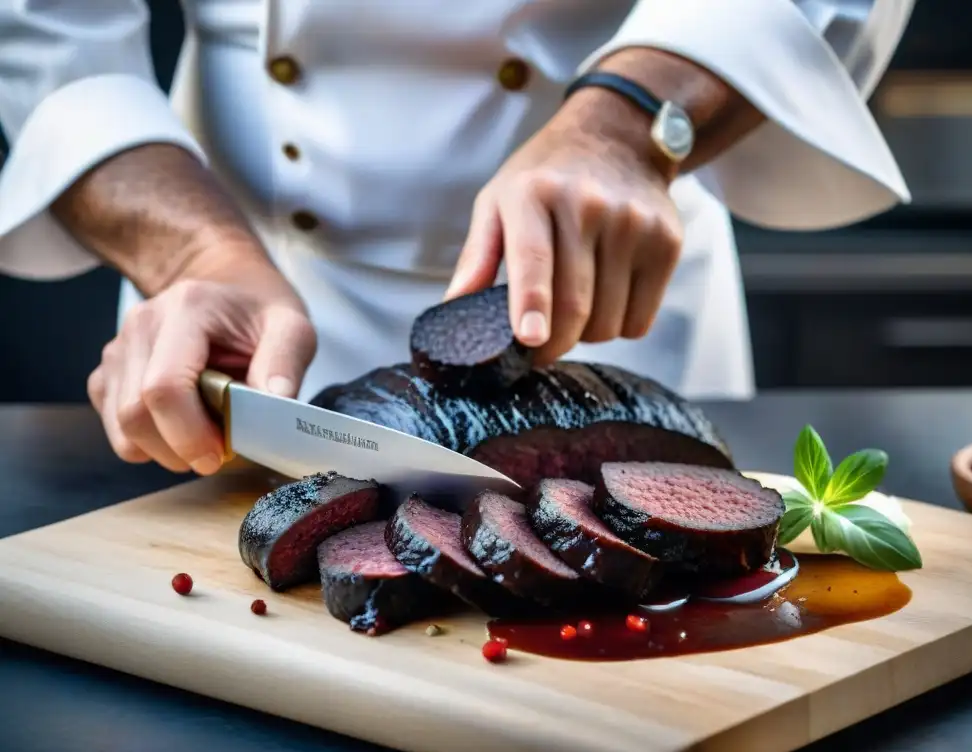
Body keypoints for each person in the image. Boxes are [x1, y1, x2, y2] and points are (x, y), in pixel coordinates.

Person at [0, 1, 913, 478]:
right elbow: (44, 31)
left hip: (610, 310)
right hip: (244, 321)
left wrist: (628, 125)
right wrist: (193, 255)